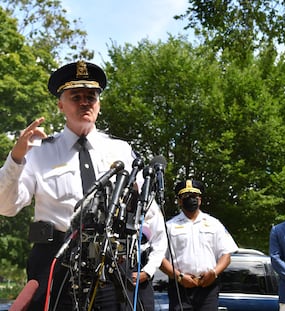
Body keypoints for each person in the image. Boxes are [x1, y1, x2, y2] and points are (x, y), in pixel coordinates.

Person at [0, 60, 167, 311]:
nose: (84, 102)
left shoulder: (121, 150)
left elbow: (150, 213)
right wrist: (15, 159)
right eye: (75, 96)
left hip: (108, 262)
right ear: (61, 105)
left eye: (91, 96)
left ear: (99, 104)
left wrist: (150, 266)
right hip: (55, 262)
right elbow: (6, 206)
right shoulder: (38, 152)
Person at [160, 179, 238, 311]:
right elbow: (160, 258)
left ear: (200, 200)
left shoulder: (214, 223)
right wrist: (179, 276)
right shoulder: (169, 226)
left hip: (208, 287)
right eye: (186, 196)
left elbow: (226, 255)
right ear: (179, 201)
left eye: (194, 196)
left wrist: (214, 273)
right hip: (180, 287)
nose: (191, 199)